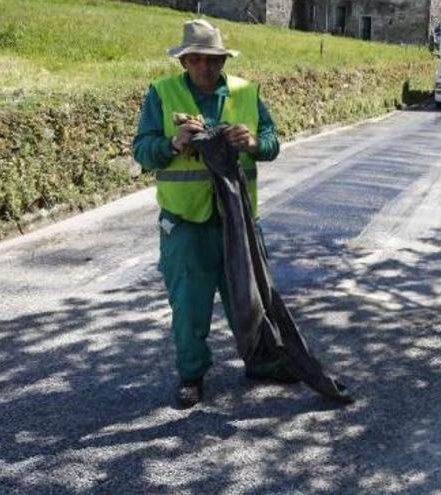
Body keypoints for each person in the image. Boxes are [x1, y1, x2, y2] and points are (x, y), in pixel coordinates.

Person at [132, 19, 296, 409]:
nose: (207, 68)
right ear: (184, 61)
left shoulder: (246, 92)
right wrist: (173, 143)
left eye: (214, 60)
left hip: (238, 221)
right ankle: (192, 376)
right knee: (189, 306)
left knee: (251, 299)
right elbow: (141, 150)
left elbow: (272, 143)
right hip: (186, 224)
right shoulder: (162, 93)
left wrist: (254, 142)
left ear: (223, 60)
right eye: (198, 60)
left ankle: (262, 362)